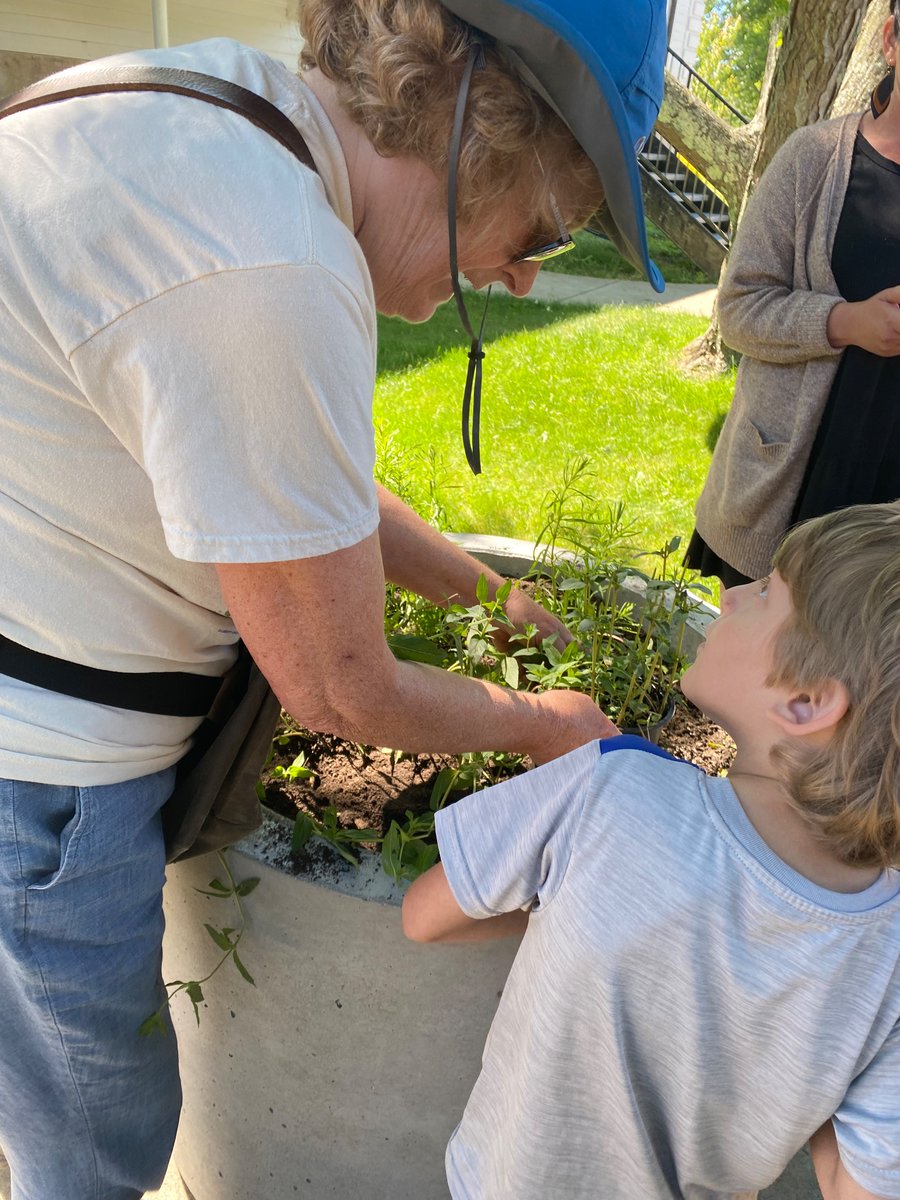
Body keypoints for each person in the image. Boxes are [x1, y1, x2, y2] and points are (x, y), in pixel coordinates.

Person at [0, 0, 668, 1196]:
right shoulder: (271, 267)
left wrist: (487, 600)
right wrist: (542, 725)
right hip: (38, 782)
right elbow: (338, 686)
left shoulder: (212, 118)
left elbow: (293, 480)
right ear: (483, 133)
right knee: (93, 1142)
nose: (518, 271)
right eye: (547, 229)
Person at [404, 500, 900, 1200]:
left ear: (805, 703)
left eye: (765, 593)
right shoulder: (890, 955)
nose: (727, 595)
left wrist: (573, 889)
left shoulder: (613, 786)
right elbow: (858, 1187)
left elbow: (425, 915)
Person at [684, 1, 900, 589]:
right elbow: (738, 309)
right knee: (746, 671)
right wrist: (844, 322)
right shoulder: (814, 160)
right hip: (788, 497)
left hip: (885, 527)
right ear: (890, 42)